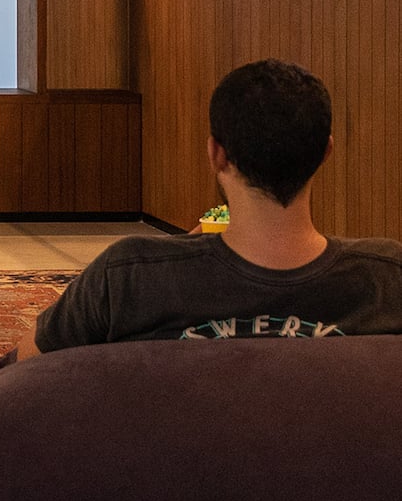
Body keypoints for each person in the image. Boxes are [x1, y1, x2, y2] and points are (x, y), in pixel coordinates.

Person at [21, 59, 402, 356]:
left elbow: (16, 379)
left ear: (216, 155)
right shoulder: (388, 276)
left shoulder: (129, 275)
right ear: (325, 153)